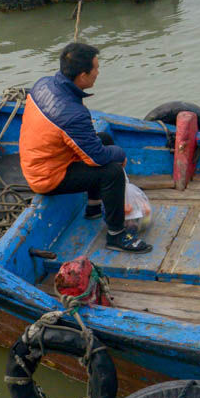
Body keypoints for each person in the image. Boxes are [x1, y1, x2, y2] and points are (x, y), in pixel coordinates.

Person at [19, 41, 150, 253]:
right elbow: (96, 158)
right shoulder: (72, 114)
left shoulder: (44, 84)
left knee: (104, 138)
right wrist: (121, 154)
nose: (98, 73)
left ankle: (93, 206)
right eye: (95, 69)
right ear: (82, 76)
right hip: (46, 176)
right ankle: (117, 236)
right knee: (113, 171)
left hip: (45, 157)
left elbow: (89, 144)